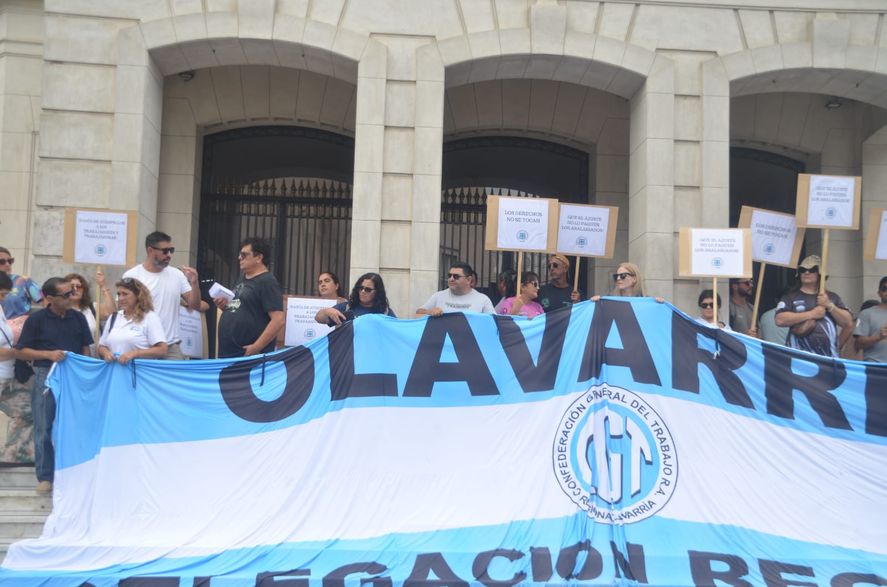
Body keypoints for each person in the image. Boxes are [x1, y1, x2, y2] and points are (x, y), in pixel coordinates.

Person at [14, 277, 93, 494]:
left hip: (73, 376)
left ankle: (76, 471)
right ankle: (45, 476)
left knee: (75, 425)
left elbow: (86, 346)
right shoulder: (37, 320)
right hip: (45, 374)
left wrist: (83, 369)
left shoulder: (78, 318)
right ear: (49, 298)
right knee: (44, 426)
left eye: (73, 291)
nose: (72, 296)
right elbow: (21, 351)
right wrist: (48, 354)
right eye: (66, 294)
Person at [123, 231, 200, 359]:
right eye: (165, 251)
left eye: (171, 250)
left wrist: (195, 283)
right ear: (150, 250)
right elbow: (123, 310)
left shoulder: (177, 275)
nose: (169, 255)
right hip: (142, 346)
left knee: (174, 379)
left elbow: (195, 305)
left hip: (170, 347)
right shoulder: (132, 276)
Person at [214, 238, 284, 359]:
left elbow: (278, 320)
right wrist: (223, 305)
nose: (239, 258)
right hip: (229, 352)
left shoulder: (267, 281)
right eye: (240, 254)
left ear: (258, 258)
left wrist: (257, 346)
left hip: (248, 355)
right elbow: (241, 306)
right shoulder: (242, 277)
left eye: (244, 254)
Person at [775, 255, 853, 357]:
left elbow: (848, 323)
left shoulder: (832, 297)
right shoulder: (790, 297)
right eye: (803, 270)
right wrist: (812, 314)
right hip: (798, 358)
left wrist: (829, 305)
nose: (807, 272)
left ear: (820, 274)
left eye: (812, 269)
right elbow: (779, 320)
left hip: (828, 359)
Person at [0, 272, 32, 464]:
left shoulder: (1, 310)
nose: (4, 298)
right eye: (2, 294)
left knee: (27, 409)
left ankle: (12, 455)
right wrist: (19, 353)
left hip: (8, 375)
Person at [97, 277, 167, 364]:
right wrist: (106, 353)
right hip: (115, 372)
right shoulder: (114, 317)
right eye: (119, 294)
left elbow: (162, 349)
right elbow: (102, 346)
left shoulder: (150, 317)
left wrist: (135, 353)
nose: (121, 298)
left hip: (139, 374)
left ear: (138, 296)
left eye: (125, 294)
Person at [64, 272, 115, 356]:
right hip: (67, 359)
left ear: (84, 290)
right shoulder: (60, 310)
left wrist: (103, 286)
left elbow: (111, 313)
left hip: (92, 360)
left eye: (79, 286)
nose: (75, 289)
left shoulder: (92, 308)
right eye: (71, 286)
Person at [315, 272, 396, 326]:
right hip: (349, 351)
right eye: (360, 288)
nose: (363, 291)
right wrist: (326, 311)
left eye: (368, 289)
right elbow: (318, 318)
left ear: (377, 292)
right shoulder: (347, 307)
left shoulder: (385, 312)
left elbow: (396, 332)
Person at [416, 262, 494, 316]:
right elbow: (418, 313)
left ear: (469, 280)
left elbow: (494, 322)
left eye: (456, 276)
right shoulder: (438, 296)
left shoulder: (483, 299)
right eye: (449, 275)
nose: (451, 279)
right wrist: (429, 312)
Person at [0, 246, 43, 342]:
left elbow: (45, 299)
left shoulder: (23, 280)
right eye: (2, 262)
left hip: (19, 332)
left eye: (10, 261)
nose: (7, 264)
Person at [853, 277, 887, 362]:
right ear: (879, 293)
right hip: (875, 369)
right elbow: (858, 344)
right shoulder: (866, 313)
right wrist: (879, 337)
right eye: (884, 288)